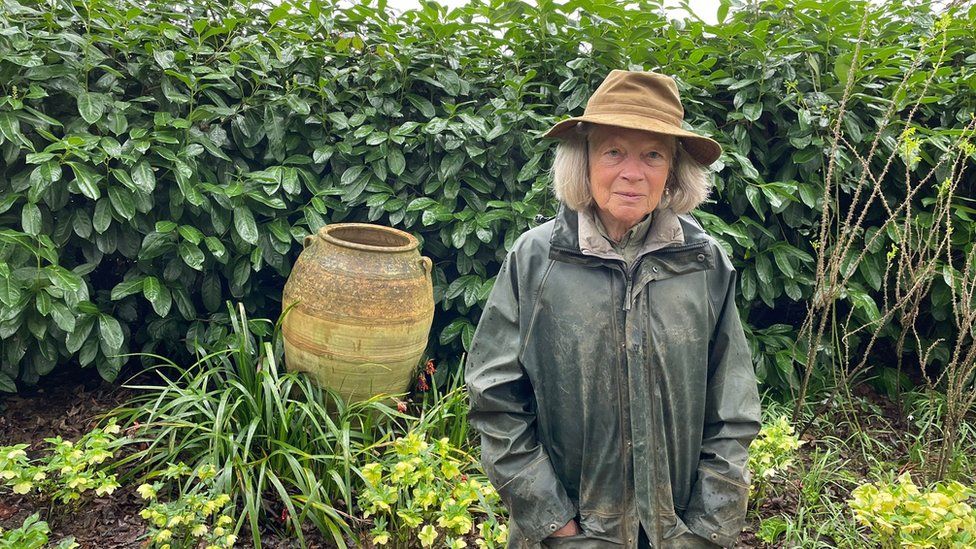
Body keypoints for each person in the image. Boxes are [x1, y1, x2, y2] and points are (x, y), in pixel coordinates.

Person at [464, 70, 761, 549]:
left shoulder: (703, 262)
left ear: (672, 171)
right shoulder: (537, 258)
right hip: (568, 531)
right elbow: (495, 399)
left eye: (652, 155)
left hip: (675, 531)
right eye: (613, 151)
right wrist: (556, 526)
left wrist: (707, 530)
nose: (632, 172)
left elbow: (733, 407)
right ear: (584, 162)